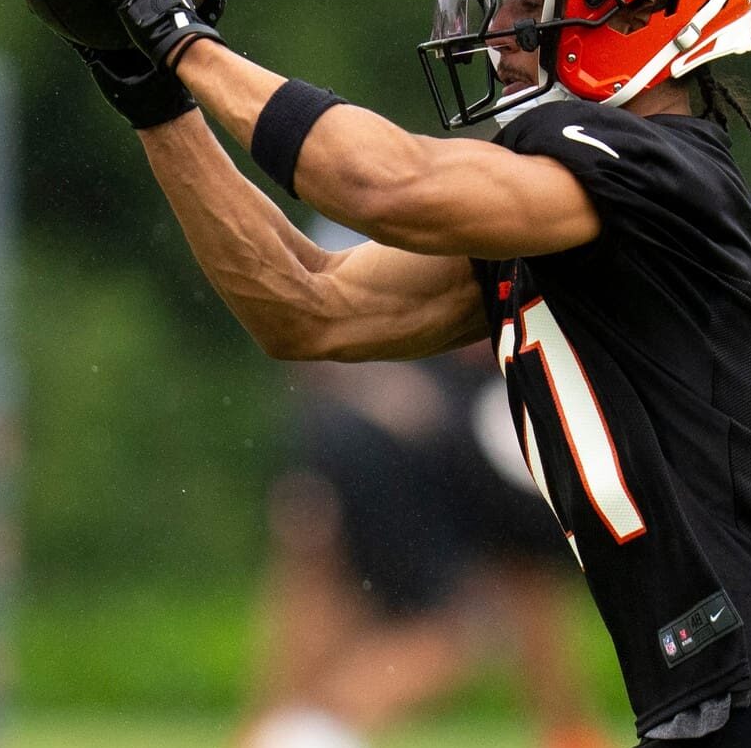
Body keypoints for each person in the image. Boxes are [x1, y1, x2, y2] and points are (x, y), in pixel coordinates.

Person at [37, 0, 751, 746]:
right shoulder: (582, 209)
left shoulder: (650, 165)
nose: (503, 31)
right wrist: (153, 101)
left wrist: (182, 43)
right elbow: (303, 305)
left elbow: (376, 182)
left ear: (642, 2)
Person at [237, 223, 613, 748]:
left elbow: (304, 315)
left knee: (325, 596)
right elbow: (526, 574)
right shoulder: (509, 278)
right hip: (389, 453)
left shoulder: (372, 207)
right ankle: (311, 734)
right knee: (456, 626)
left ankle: (274, 732)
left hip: (329, 439)